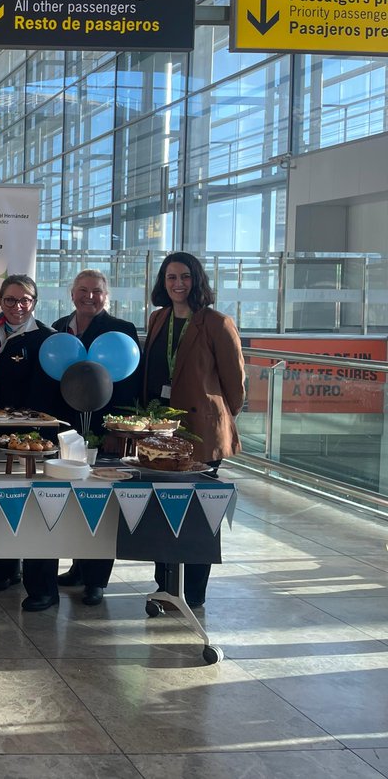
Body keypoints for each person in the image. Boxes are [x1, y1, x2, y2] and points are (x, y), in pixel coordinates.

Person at [31, 270, 143, 606]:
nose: (89, 296)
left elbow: (129, 387)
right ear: (72, 293)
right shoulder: (59, 327)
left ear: (107, 295)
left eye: (97, 291)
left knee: (99, 504)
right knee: (66, 503)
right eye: (82, 290)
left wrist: (117, 432)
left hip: (104, 430)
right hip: (63, 429)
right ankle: (77, 568)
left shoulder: (122, 331)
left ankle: (96, 580)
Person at [141, 252, 245, 608]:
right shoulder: (158, 319)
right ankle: (166, 587)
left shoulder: (216, 322)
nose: (178, 284)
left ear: (197, 280)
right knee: (162, 511)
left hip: (200, 435)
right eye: (171, 277)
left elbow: (236, 386)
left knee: (197, 516)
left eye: (185, 277)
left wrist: (217, 422)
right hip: (160, 433)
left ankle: (193, 593)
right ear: (162, 282)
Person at [0, 275, 60, 610]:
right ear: (0, 301)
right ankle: (6, 568)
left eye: (25, 300)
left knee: (38, 507)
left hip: (32, 436)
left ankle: (43, 586)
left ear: (34, 303)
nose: (17, 306)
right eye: (10, 300)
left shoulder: (48, 339)